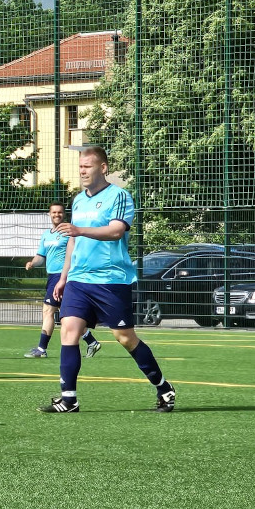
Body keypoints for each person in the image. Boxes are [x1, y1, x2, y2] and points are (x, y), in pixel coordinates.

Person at [42, 147, 176, 413]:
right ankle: (69, 400)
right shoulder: (78, 201)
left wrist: (80, 230)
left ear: (103, 168)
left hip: (110, 279)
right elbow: (73, 240)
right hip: (79, 280)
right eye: (80, 167)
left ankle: (164, 388)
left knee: (125, 338)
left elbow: (116, 231)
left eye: (87, 166)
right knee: (69, 330)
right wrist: (64, 277)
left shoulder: (119, 196)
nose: (82, 171)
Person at [24, 202, 101, 359]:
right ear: (49, 214)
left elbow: (76, 252)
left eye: (59, 212)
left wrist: (66, 276)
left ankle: (41, 349)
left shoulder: (68, 232)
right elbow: (40, 256)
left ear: (64, 214)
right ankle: (91, 341)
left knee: (48, 310)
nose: (57, 215)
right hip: (52, 276)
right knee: (66, 314)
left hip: (63, 276)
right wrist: (32, 263)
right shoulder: (46, 234)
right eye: (54, 212)